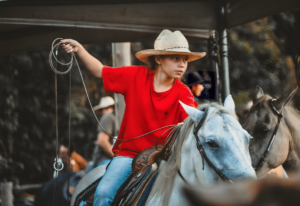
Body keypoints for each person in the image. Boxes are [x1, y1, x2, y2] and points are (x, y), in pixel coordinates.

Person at [61, 29, 206, 206]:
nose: (182, 64)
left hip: (165, 160)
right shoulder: (135, 76)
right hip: (128, 155)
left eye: (185, 59)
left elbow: (192, 126)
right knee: (103, 194)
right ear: (158, 59)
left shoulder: (184, 93)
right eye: (175, 58)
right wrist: (80, 50)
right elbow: (100, 71)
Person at [92, 96, 116, 167]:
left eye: (106, 108)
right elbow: (102, 141)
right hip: (104, 159)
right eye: (102, 109)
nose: (103, 111)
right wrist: (116, 157)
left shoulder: (113, 118)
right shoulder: (108, 117)